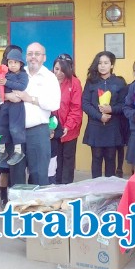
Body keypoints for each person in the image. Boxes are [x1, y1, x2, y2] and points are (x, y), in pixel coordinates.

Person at [5, 42, 61, 185]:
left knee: (39, 175)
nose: (33, 57)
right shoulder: (16, 73)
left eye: (37, 54)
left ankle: (38, 207)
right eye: (30, 54)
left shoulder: (50, 77)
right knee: (16, 174)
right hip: (16, 132)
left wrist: (30, 98)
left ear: (44, 57)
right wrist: (6, 96)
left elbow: (54, 103)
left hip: (38, 131)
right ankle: (18, 207)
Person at [82, 51, 126, 178]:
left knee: (111, 158)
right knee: (96, 158)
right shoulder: (91, 82)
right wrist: (99, 115)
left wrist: (111, 109)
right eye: (100, 63)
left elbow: (124, 105)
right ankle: (95, 190)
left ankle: (109, 191)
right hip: (96, 125)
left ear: (112, 65)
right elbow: (85, 103)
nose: (102, 66)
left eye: (106, 63)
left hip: (112, 127)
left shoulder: (119, 82)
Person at [0, 48, 28, 166]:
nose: (12, 65)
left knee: (15, 127)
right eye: (10, 62)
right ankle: (1, 150)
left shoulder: (23, 75)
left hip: (17, 106)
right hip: (6, 104)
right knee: (0, 124)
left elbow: (22, 86)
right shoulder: (5, 74)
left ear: (21, 63)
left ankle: (18, 151)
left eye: (15, 62)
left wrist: (6, 83)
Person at [52, 53, 82, 184]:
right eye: (56, 69)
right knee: (55, 159)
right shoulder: (49, 81)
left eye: (62, 70)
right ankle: (57, 186)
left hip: (70, 129)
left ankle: (67, 188)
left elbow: (76, 108)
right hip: (53, 129)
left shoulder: (75, 83)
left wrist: (68, 126)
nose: (58, 72)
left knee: (68, 159)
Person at [48, 114, 64, 184]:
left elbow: (60, 131)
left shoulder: (53, 118)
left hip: (52, 151)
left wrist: (54, 135)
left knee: (51, 174)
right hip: (38, 152)